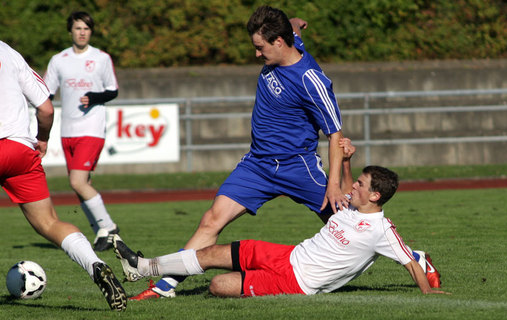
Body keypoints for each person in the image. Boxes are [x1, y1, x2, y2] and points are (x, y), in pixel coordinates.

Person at [128, 5, 347, 300]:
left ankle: (413, 257)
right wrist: (294, 23)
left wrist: (333, 186)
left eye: (260, 48)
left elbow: (335, 134)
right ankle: (165, 285)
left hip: (298, 166)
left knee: (350, 225)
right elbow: (291, 28)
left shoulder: (311, 79)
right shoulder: (287, 41)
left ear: (279, 42)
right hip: (256, 165)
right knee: (211, 220)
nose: (256, 54)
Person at [113, 140, 446, 297]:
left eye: (361, 184)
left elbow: (409, 262)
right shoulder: (350, 206)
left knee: (217, 286)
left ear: (375, 196)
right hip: (287, 255)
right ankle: (142, 268)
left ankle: (158, 279)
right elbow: (344, 185)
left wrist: (427, 292)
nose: (353, 187)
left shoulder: (382, 229)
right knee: (212, 253)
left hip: (296, 283)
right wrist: (346, 160)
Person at [0, 40, 127, 311]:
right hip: (21, 150)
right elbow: (45, 108)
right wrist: (42, 139)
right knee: (49, 223)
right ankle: (96, 264)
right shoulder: (8, 53)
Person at [43, 11, 119, 251]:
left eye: (86, 28)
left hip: (92, 128)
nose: (82, 32)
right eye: (78, 28)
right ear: (70, 31)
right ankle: (101, 234)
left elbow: (112, 90)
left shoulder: (101, 58)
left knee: (77, 182)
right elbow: (46, 92)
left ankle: (109, 227)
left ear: (91, 31)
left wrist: (95, 97)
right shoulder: (59, 60)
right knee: (81, 183)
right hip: (68, 129)